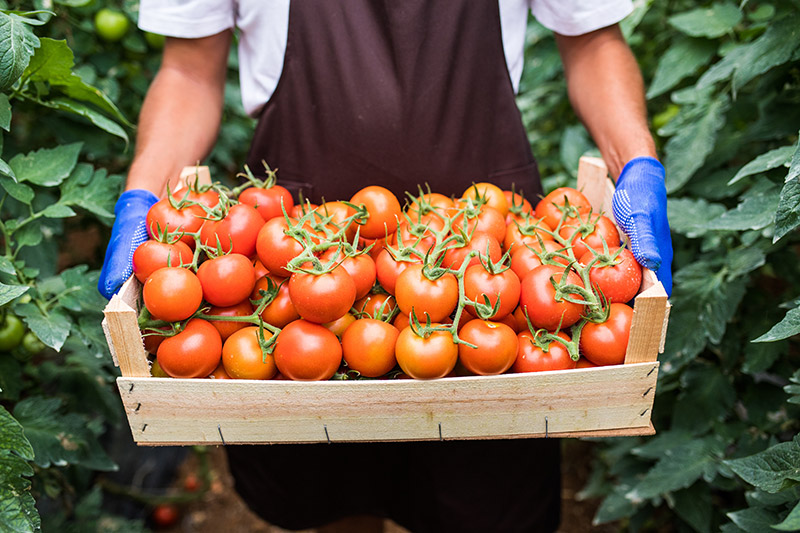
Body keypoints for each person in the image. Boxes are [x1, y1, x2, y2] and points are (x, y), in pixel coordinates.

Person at [98, 1, 672, 531]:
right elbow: (188, 70)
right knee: (327, 493)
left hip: (489, 250)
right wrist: (144, 197)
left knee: (487, 490)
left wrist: (637, 164)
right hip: (293, 260)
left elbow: (594, 39)